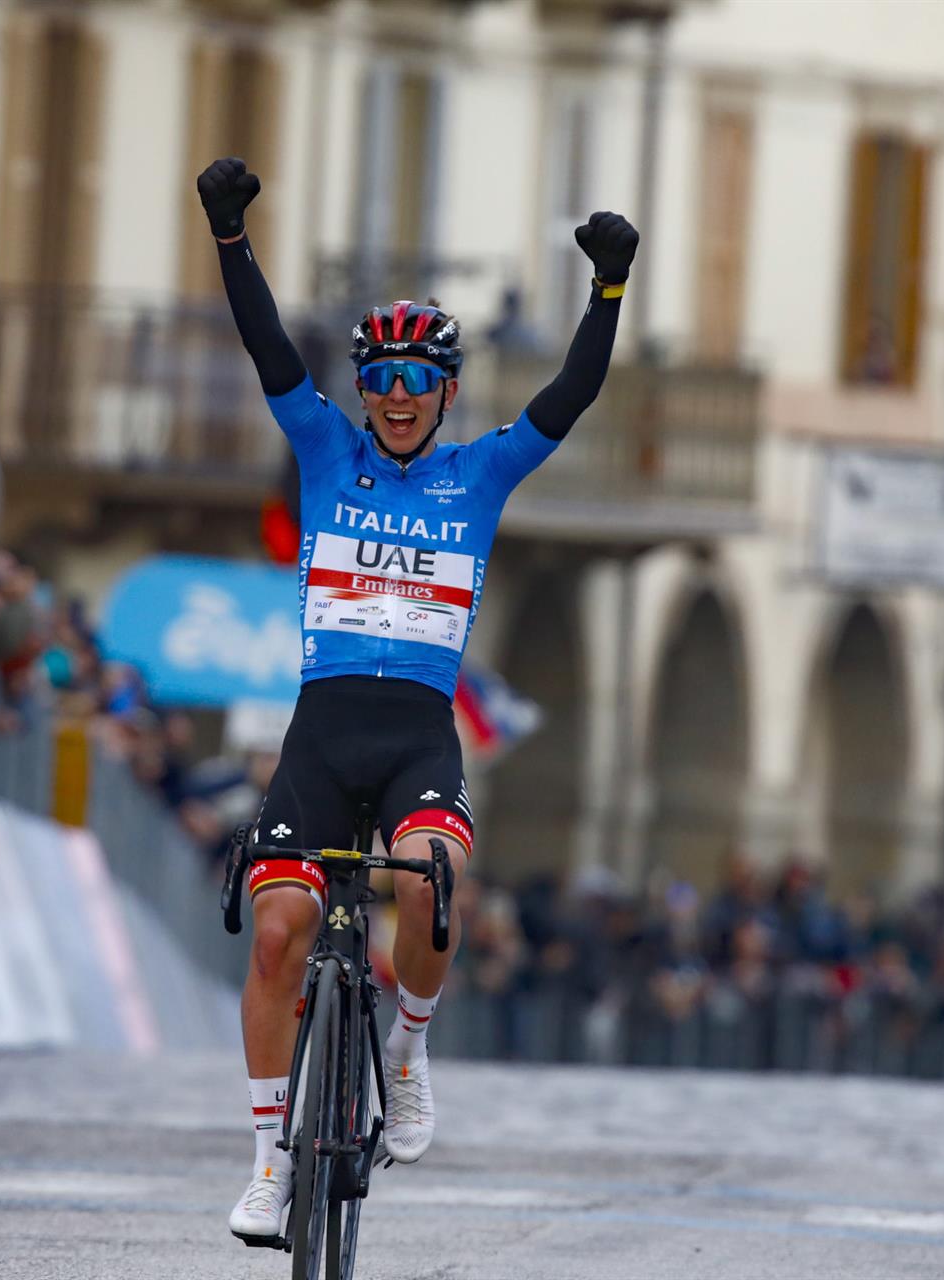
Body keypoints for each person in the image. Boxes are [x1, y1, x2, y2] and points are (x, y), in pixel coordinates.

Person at [195, 155, 638, 1239]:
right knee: (275, 932)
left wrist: (608, 291)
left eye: (416, 381)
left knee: (435, 884)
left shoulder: (480, 473)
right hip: (322, 728)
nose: (395, 397)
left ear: (445, 392)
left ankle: (408, 1045)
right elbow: (263, 345)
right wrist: (229, 233)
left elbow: (570, 397)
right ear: (363, 391)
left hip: (415, 738)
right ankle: (266, 1164)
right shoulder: (322, 446)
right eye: (380, 379)